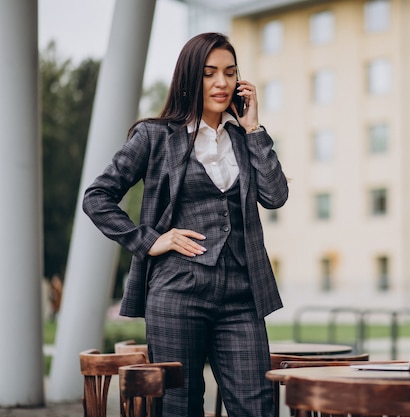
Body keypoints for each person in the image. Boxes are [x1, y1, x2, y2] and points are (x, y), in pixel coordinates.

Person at [82, 32, 289, 417]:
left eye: (230, 72)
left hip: (242, 294)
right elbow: (97, 197)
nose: (222, 83)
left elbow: (275, 196)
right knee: (179, 407)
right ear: (190, 78)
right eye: (210, 73)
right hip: (178, 292)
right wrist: (150, 240)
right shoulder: (155, 136)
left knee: (258, 406)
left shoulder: (246, 140)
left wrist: (255, 129)